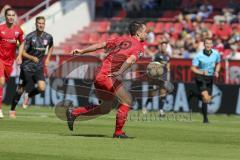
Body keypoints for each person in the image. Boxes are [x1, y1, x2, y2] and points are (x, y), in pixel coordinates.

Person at [65, 21, 147, 138]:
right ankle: (118, 133)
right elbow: (131, 60)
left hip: (98, 73)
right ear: (138, 33)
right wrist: (120, 72)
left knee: (105, 108)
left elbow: (100, 45)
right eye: (145, 32)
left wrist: (82, 51)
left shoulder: (120, 39)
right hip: (107, 76)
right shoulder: (139, 46)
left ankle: (74, 112)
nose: (147, 34)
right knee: (127, 100)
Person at [10, 16, 53, 118]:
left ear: (44, 24)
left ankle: (28, 95)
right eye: (39, 23)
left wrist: (47, 58)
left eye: (42, 23)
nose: (41, 25)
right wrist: (31, 57)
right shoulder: (30, 37)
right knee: (20, 90)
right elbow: (22, 51)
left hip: (38, 67)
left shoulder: (48, 37)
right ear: (36, 24)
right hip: (27, 66)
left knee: (42, 88)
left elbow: (51, 46)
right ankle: (12, 109)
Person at [0, 8, 24, 118]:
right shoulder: (0, 28)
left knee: (2, 84)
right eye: (8, 15)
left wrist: (19, 55)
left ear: (14, 17)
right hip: (0, 59)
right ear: (5, 16)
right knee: (1, 81)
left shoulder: (18, 30)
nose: (10, 17)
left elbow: (22, 42)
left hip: (10, 62)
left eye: (12, 15)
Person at [191, 38, 221, 123]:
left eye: (210, 43)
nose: (208, 45)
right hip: (200, 77)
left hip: (210, 78)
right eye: (206, 43)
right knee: (205, 96)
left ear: (212, 45)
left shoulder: (216, 54)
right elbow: (193, 68)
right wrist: (201, 71)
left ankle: (205, 119)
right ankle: (206, 118)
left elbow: (219, 63)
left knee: (206, 100)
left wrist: (217, 71)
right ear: (204, 45)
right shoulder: (199, 55)